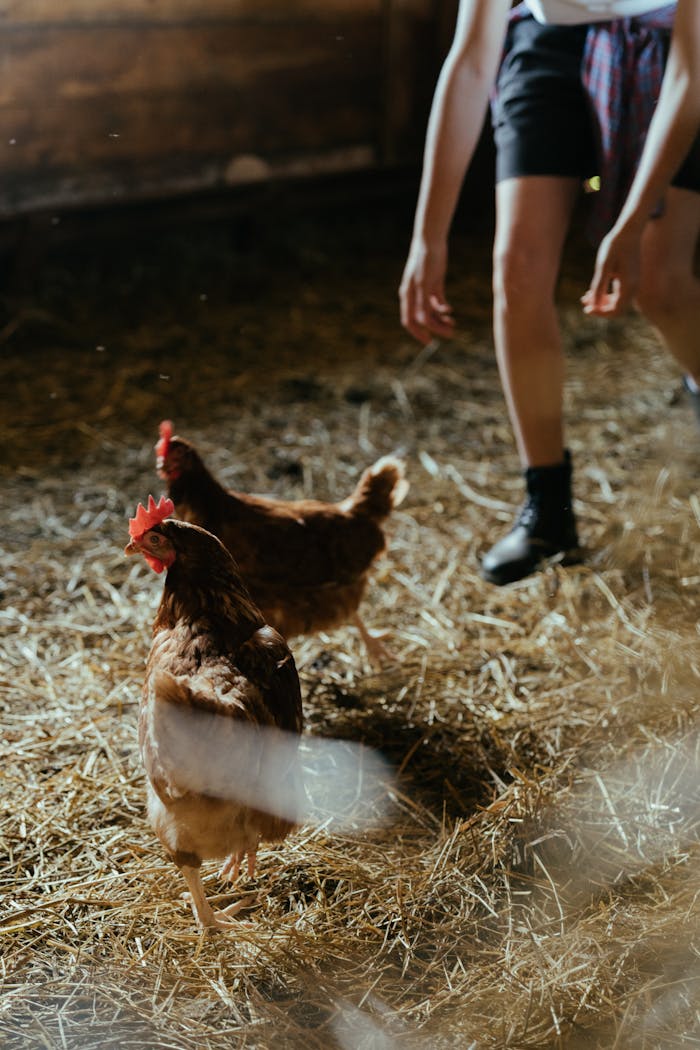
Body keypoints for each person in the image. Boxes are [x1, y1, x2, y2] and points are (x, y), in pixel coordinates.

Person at [399, 0, 700, 586]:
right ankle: (548, 512)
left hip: (673, 52)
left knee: (661, 284)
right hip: (549, 46)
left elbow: (692, 71)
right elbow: (470, 61)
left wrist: (632, 221)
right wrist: (427, 237)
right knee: (516, 270)